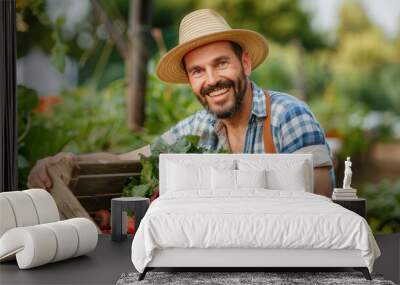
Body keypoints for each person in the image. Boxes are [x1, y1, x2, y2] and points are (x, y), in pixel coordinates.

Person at [28, 9, 334, 197]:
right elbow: (129, 160)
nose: (212, 79)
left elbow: (323, 201)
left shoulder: (288, 116)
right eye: (198, 71)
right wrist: (66, 161)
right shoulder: (197, 130)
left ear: (245, 63)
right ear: (190, 81)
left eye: (221, 63)